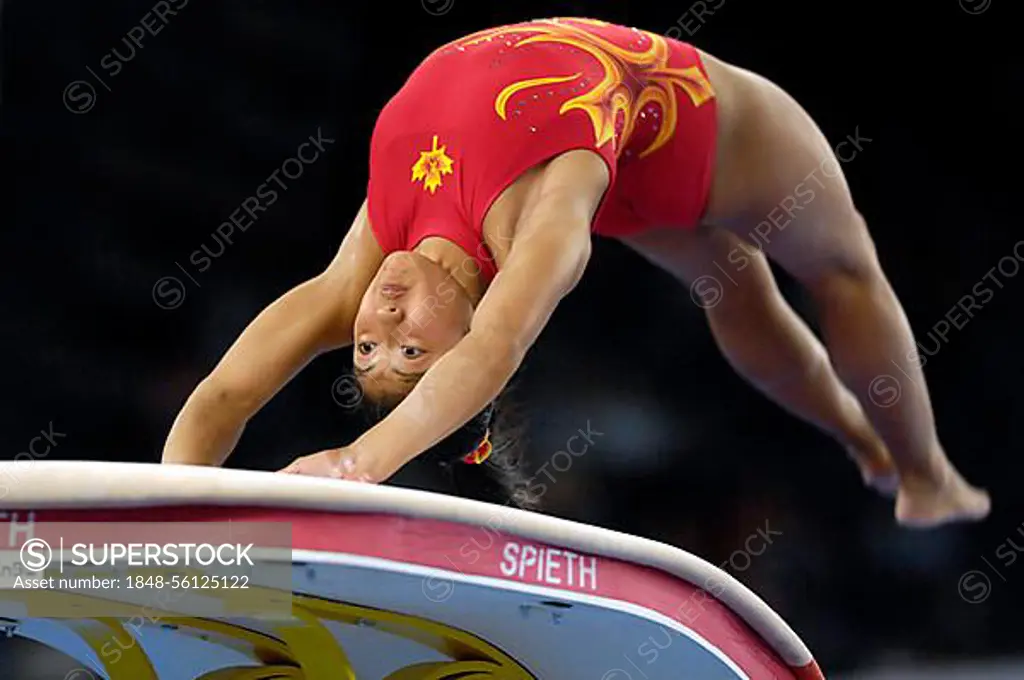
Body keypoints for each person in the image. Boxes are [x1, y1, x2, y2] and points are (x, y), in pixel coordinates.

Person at [161, 17, 989, 527]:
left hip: (633, 146)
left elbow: (228, 394)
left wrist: (165, 514)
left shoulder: (372, 260)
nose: (379, 330)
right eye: (411, 354)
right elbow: (494, 352)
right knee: (830, 272)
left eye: (365, 353)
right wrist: (359, 465)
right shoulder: (543, 229)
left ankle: (892, 455)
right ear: (463, 333)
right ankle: (918, 471)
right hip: (703, 136)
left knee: (747, 291)